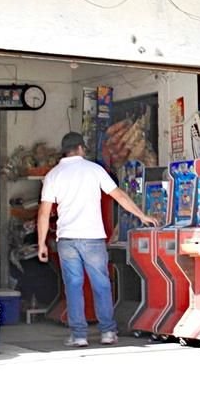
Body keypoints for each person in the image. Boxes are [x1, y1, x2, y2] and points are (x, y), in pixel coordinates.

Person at [38, 132, 159, 347]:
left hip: (67, 239)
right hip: (93, 237)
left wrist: (41, 244)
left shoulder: (53, 175)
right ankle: (107, 333)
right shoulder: (94, 170)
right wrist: (142, 215)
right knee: (101, 285)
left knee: (73, 286)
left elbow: (44, 212)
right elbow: (119, 195)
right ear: (81, 148)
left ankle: (79, 335)